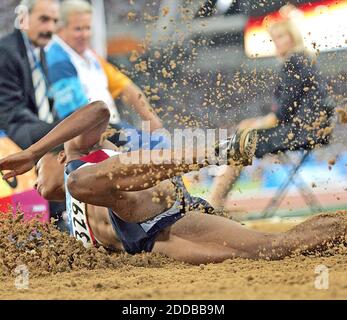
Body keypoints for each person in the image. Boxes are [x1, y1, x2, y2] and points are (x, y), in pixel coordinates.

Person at [1, 102, 346, 264]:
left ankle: (214, 151)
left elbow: (99, 112)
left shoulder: (74, 156)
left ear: (56, 158)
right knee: (273, 249)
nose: (32, 184)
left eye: (33, 173)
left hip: (146, 193)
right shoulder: (68, 230)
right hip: (156, 237)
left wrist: (32, 152)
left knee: (80, 182)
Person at [208, 9, 335, 209]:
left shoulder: (294, 62)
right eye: (274, 38)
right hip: (310, 130)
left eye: (281, 36)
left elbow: (281, 115)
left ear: (293, 38)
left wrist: (251, 126)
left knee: (242, 140)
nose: (276, 42)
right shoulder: (302, 61)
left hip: (303, 132)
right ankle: (216, 201)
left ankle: (215, 202)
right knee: (243, 134)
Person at [46, 0, 163, 148]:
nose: (85, 34)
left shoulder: (89, 55)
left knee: (161, 142)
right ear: (60, 30)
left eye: (88, 28)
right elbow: (75, 116)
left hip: (111, 127)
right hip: (90, 137)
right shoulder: (57, 59)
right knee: (159, 147)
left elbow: (125, 86)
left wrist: (150, 119)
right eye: (78, 29)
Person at [0, 0, 61, 150]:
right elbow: (11, 111)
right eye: (44, 19)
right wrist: (51, 129)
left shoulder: (39, 51)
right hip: (14, 130)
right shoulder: (6, 51)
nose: (50, 28)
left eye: (55, 21)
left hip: (34, 126)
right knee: (73, 134)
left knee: (82, 128)